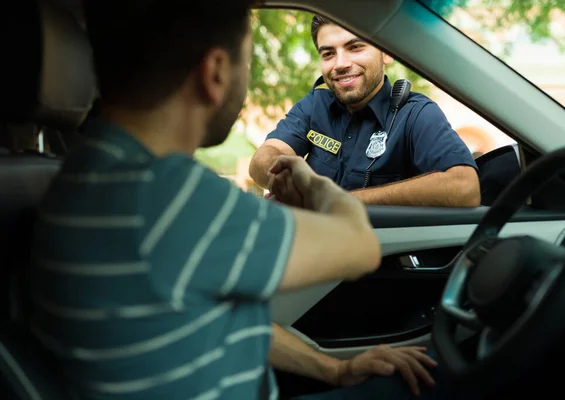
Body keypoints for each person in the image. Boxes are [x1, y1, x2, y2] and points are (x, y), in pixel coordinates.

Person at [28, 1, 470, 399]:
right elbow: (359, 244)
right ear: (216, 72)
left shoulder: (83, 176)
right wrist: (314, 183)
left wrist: (335, 369)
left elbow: (217, 317)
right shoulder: (177, 197)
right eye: (248, 59)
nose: (339, 64)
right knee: (459, 375)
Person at [249, 15, 480, 208]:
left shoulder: (416, 114)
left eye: (355, 47)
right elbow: (265, 156)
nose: (340, 63)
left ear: (387, 52)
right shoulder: (315, 104)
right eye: (328, 53)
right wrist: (284, 181)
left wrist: (339, 201)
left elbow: (465, 186)